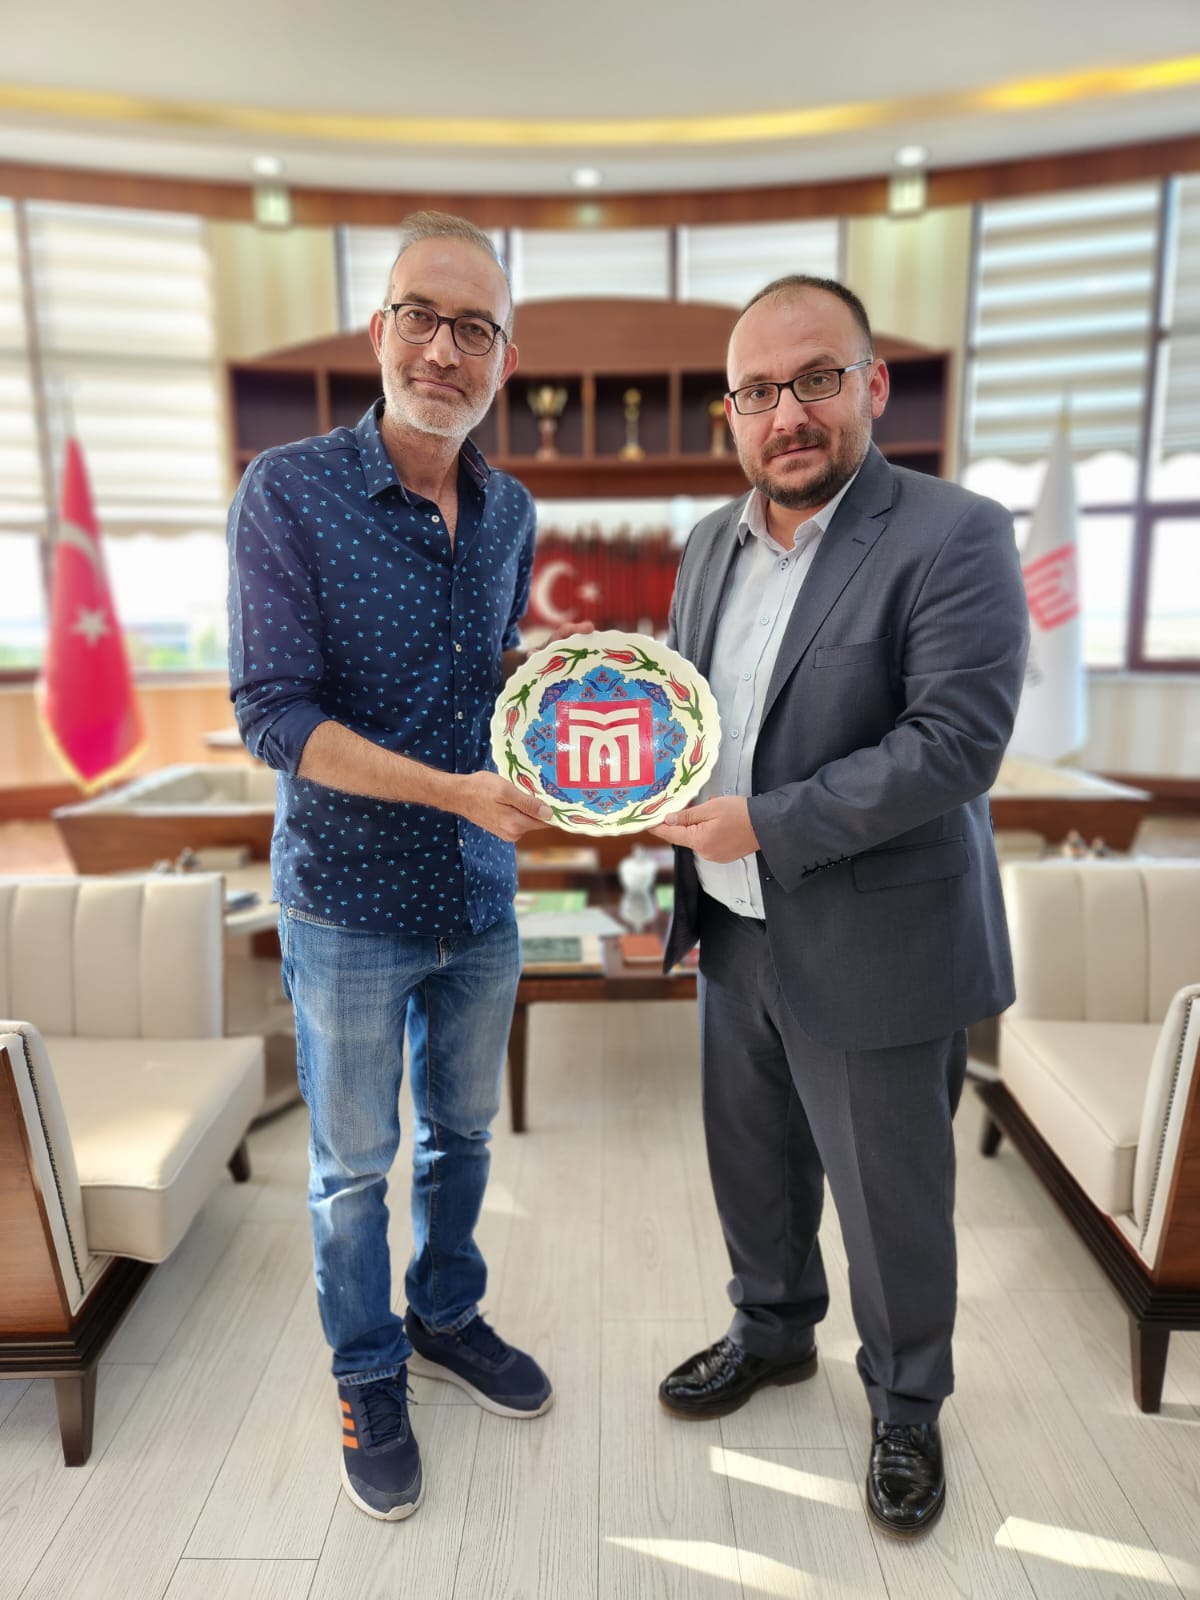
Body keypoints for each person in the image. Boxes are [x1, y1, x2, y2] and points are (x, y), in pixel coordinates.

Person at [653, 274, 1029, 1538]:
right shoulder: (708, 545)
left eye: (815, 379)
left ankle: (908, 1402)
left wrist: (765, 820)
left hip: (880, 940)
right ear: (731, 413)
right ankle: (770, 1331)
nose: (788, 415)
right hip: (731, 925)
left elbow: (952, 745)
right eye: (758, 391)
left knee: (889, 1199)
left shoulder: (954, 532)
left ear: (873, 384)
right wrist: (638, 785)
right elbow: (687, 716)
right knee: (752, 1163)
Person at [227, 211, 556, 1524]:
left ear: (503, 360)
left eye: (475, 328)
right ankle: (367, 1371)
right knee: (354, 1165)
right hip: (348, 902)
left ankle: (447, 1316)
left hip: (480, 894)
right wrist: (452, 790)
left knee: (465, 1133)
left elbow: (484, 670)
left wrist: (552, 681)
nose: (442, 349)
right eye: (421, 315)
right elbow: (274, 717)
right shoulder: (287, 490)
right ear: (380, 329)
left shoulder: (512, 509)